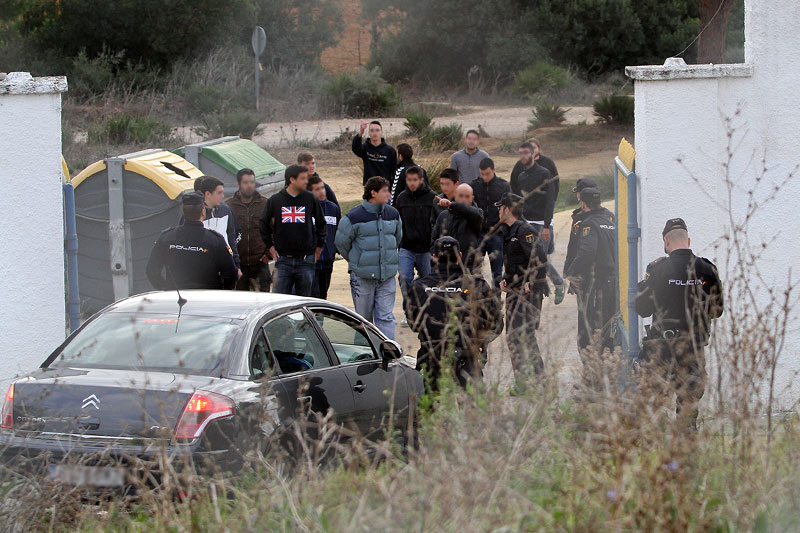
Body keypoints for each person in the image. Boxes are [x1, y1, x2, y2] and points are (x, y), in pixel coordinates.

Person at [636, 218, 724, 430]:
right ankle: (686, 450)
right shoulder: (707, 269)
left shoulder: (657, 269)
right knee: (688, 410)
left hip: (661, 348)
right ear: (688, 240)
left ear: (666, 241)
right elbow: (717, 310)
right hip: (693, 347)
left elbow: (642, 309)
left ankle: (651, 451)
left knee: (651, 407)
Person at [407, 236, 502, 390]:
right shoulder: (477, 285)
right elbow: (496, 324)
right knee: (473, 412)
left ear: (434, 258)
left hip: (431, 358)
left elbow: (413, 324)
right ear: (459, 256)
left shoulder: (419, 286)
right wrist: (477, 340)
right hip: (466, 361)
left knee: (427, 411)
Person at [335, 177, 403, 339]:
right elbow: (341, 243)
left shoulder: (393, 214)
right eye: (385, 191)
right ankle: (364, 356)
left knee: (386, 317)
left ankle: (388, 353)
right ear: (373, 193)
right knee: (363, 320)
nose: (388, 195)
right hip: (362, 279)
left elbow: (398, 238)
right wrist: (357, 262)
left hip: (387, 277)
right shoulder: (353, 217)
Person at [496, 193, 549, 383]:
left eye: (500, 207)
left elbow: (540, 261)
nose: (498, 211)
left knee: (521, 337)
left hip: (525, 296)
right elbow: (517, 263)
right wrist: (506, 279)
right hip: (513, 292)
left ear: (508, 209)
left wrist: (533, 284)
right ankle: (531, 380)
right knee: (518, 338)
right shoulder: (510, 231)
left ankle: (530, 381)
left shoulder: (524, 231)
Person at [564, 187, 618, 353]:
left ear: (583, 203)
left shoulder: (589, 224)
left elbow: (586, 252)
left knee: (589, 336)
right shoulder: (610, 221)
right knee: (607, 332)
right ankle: (608, 372)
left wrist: (571, 273)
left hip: (596, 286)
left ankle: (593, 375)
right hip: (612, 285)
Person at [146, 192, 237, 290]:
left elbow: (152, 271)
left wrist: (166, 289)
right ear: (203, 211)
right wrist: (219, 293)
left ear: (184, 212)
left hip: (178, 300)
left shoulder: (167, 237)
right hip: (207, 300)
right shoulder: (215, 240)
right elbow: (231, 274)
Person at [260, 165, 326, 296]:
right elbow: (263, 224)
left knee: (303, 302)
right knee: (278, 301)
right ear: (292, 180)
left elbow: (321, 224)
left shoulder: (310, 198)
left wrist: (318, 249)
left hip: (306, 260)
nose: (306, 182)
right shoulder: (275, 200)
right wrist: (270, 247)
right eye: (302, 178)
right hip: (283, 261)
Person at [513, 142, 565, 303]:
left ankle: (559, 283)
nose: (523, 156)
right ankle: (539, 288)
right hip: (526, 222)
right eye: (520, 153)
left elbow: (550, 200)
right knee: (530, 259)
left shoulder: (544, 173)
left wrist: (547, 225)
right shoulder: (521, 176)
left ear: (532, 154)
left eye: (525, 153)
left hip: (542, 222)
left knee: (542, 259)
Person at [394, 166, 437, 325]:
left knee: (427, 281)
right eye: (409, 180)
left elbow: (437, 223)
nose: (412, 183)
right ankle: (410, 312)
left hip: (426, 248)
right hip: (406, 246)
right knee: (405, 278)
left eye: (415, 180)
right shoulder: (401, 198)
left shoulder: (432, 197)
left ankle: (425, 312)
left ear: (421, 180)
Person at [226, 168, 271, 292]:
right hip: (239, 264)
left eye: (252, 182)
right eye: (246, 182)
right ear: (238, 184)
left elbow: (274, 229)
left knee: (264, 301)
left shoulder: (265, 204)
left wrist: (269, 254)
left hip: (260, 263)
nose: (249, 185)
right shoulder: (229, 206)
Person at [471, 158, 511, 288]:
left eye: (487, 173)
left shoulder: (504, 186)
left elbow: (510, 209)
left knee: (497, 272)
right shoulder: (474, 185)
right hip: (478, 233)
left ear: (494, 170)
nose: (484, 177)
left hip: (497, 234)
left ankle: (495, 304)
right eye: (482, 174)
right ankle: (478, 300)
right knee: (474, 270)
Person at [431, 182, 484, 271]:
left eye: (467, 196)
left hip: (468, 267)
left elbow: (472, 213)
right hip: (445, 267)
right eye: (461, 196)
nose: (463, 199)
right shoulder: (443, 215)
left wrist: (451, 204)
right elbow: (434, 239)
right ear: (455, 195)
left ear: (472, 198)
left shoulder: (477, 214)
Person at [196, 176, 241, 276]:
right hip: (203, 271)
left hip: (226, 268)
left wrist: (236, 266)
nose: (222, 196)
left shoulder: (226, 210)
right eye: (219, 193)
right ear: (208, 194)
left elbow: (231, 239)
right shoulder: (194, 213)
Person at [307, 175, 341, 300]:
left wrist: (334, 249)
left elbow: (337, 231)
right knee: (313, 295)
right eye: (317, 189)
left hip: (327, 259)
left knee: (323, 295)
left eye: (322, 188)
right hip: (312, 261)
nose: (322, 192)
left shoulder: (333, 208)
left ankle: (319, 319)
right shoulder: (307, 209)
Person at [563, 178, 598, 279]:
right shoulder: (608, 216)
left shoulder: (580, 218)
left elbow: (574, 246)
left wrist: (569, 271)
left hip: (584, 273)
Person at [352, 120, 397, 185]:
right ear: (369, 133)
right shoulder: (365, 148)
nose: (375, 133)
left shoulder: (390, 150)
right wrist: (361, 132)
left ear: (381, 132)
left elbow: (394, 170)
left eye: (377, 130)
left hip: (385, 187)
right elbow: (355, 148)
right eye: (372, 130)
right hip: (369, 186)